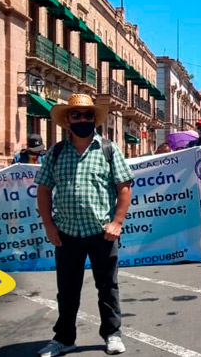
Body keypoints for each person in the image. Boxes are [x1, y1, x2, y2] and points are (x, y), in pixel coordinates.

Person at [35, 94, 133, 356]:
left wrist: (117, 222)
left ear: (94, 119)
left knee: (107, 287)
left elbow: (124, 187)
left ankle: (112, 334)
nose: (82, 119)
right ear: (67, 120)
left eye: (87, 115)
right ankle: (64, 338)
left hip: (102, 232)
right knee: (67, 290)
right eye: (76, 114)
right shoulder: (55, 153)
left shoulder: (108, 149)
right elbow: (43, 191)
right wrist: (49, 226)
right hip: (66, 233)